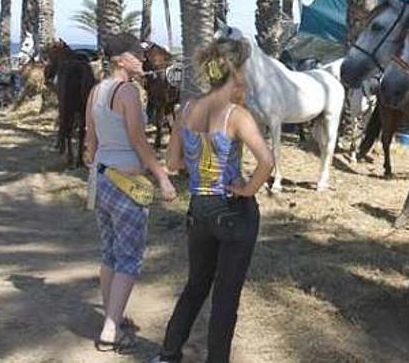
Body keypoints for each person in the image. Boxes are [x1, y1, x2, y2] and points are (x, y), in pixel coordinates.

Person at [152, 38, 274, 363]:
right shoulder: (237, 115)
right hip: (233, 210)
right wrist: (247, 190)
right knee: (225, 296)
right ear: (236, 70)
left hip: (199, 211)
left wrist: (201, 168)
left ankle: (167, 354)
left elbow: (173, 162)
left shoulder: (188, 108)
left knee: (195, 286)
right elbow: (266, 161)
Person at [83, 34, 177, 353]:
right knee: (129, 257)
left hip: (102, 178)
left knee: (110, 252)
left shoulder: (96, 91)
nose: (142, 60)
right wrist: (163, 177)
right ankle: (110, 329)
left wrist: (98, 159)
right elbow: (139, 141)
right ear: (121, 60)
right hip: (127, 182)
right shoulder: (127, 92)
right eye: (137, 56)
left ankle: (114, 315)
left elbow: (90, 144)